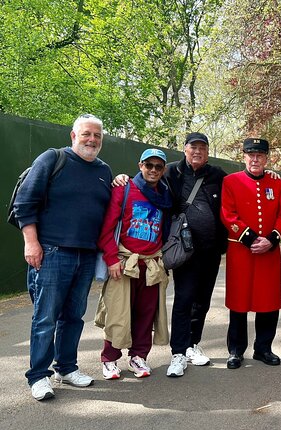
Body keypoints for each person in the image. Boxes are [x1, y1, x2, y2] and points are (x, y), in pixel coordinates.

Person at [13, 114, 112, 400]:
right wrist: (31, 243)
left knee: (74, 317)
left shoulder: (104, 170)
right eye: (86, 134)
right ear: (73, 136)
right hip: (52, 253)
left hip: (86, 256)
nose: (92, 140)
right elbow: (25, 203)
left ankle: (66, 367)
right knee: (46, 318)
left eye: (97, 136)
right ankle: (38, 376)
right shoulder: (52, 159)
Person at [95, 148, 172, 380]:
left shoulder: (166, 195)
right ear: (140, 165)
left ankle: (138, 356)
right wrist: (111, 259)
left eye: (158, 167)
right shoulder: (124, 188)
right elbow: (107, 229)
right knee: (118, 313)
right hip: (124, 263)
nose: (153, 170)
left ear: (164, 170)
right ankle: (109, 359)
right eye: (149, 165)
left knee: (146, 315)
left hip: (152, 265)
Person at [220, 138, 281, 368]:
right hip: (241, 251)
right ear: (244, 156)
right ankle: (236, 351)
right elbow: (227, 214)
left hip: (268, 252)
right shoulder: (231, 181)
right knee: (239, 302)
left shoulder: (277, 184)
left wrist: (272, 239)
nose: (255, 159)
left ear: (267, 158)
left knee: (268, 302)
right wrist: (250, 238)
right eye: (251, 154)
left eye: (260, 155)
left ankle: (263, 348)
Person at [163, 132, 228, 377]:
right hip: (184, 251)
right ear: (185, 149)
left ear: (208, 151)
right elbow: (145, 181)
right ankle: (178, 352)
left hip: (210, 251)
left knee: (202, 300)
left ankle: (192, 344)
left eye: (202, 147)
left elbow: (244, 186)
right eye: (193, 147)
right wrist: (123, 178)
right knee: (184, 299)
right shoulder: (171, 172)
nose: (198, 151)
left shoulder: (218, 175)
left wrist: (270, 174)